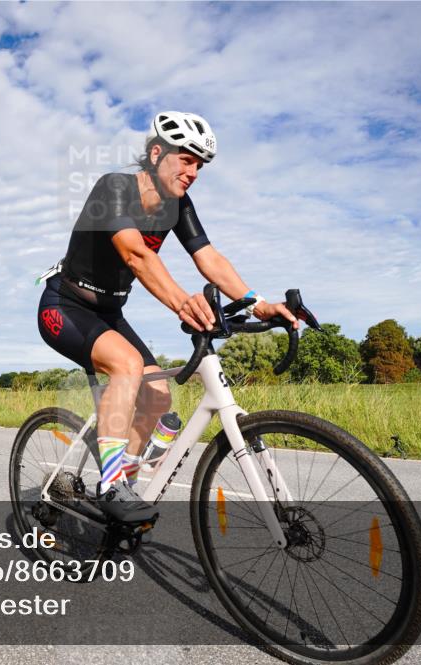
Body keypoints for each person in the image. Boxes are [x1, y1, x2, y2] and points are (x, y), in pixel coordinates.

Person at [36, 111, 299, 523]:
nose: (193, 172)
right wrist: (181, 303)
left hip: (109, 313)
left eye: (200, 165)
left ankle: (122, 483)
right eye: (186, 159)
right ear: (157, 153)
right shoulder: (115, 188)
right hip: (65, 306)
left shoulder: (178, 206)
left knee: (158, 395)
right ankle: (110, 485)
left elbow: (208, 257)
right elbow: (135, 254)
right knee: (127, 365)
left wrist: (256, 302)